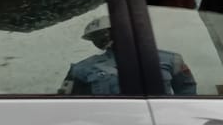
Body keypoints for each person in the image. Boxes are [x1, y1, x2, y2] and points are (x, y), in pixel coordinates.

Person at [61, 14, 196, 96]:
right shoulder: (81, 69)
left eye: (103, 34)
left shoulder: (171, 60)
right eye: (94, 37)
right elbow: (68, 103)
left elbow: (187, 91)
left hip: (160, 124)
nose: (99, 40)